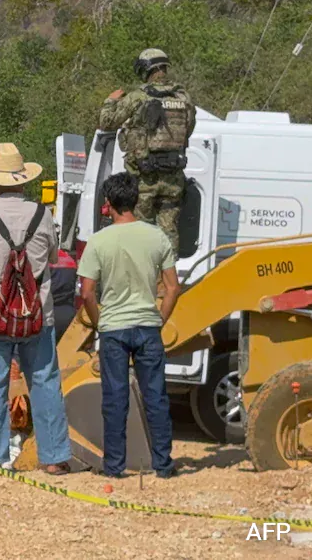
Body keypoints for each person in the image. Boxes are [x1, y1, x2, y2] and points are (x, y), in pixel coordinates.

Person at [0, 142, 71, 475]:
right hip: (38, 313)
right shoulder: (43, 214)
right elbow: (53, 258)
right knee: (45, 381)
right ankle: (54, 457)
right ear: (24, 180)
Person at [78, 172, 180, 479]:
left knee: (115, 399)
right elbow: (173, 287)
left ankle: (114, 466)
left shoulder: (98, 241)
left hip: (113, 328)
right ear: (135, 200)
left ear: (108, 204)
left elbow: (87, 292)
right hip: (148, 326)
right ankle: (163, 465)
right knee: (156, 397)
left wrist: (100, 324)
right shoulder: (157, 237)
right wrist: (159, 319)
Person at [99, 48, 196, 252]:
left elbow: (106, 122)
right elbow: (188, 130)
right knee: (169, 230)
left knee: (141, 229)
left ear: (145, 70)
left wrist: (111, 100)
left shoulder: (138, 97)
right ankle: (167, 279)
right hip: (173, 178)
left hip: (144, 178)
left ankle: (144, 276)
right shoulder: (184, 98)